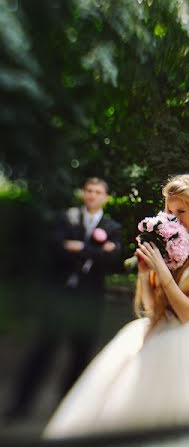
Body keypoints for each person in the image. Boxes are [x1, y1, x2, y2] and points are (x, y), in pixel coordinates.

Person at [42, 174, 189, 445]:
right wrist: (146, 274)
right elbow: (152, 307)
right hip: (152, 334)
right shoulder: (178, 246)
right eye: (170, 211)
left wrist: (162, 270)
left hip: (184, 345)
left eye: (181, 211)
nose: (174, 219)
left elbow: (186, 313)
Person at [3, 177, 122, 421]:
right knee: (43, 349)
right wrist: (98, 251)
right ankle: (20, 406)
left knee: (81, 355)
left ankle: (69, 411)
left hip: (89, 300)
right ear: (83, 194)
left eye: (98, 192)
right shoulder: (66, 218)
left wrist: (79, 248)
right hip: (59, 296)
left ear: (105, 198)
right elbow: (56, 246)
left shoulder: (112, 227)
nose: (92, 195)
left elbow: (112, 259)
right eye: (89, 190)